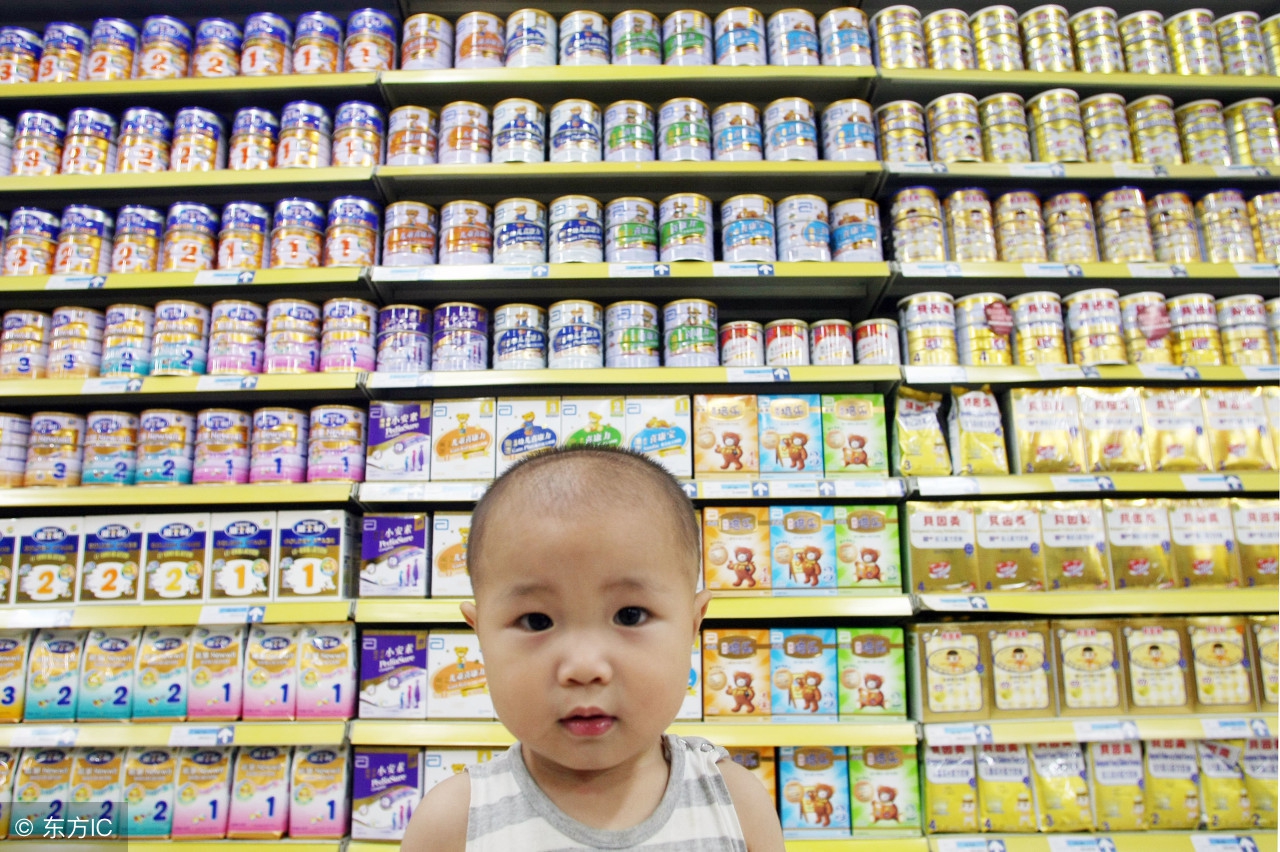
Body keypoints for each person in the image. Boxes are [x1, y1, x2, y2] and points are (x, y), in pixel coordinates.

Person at [401, 445, 784, 852]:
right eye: (536, 621)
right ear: (479, 635)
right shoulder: (453, 823)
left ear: (694, 625)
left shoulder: (736, 804)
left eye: (631, 615)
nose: (584, 667)